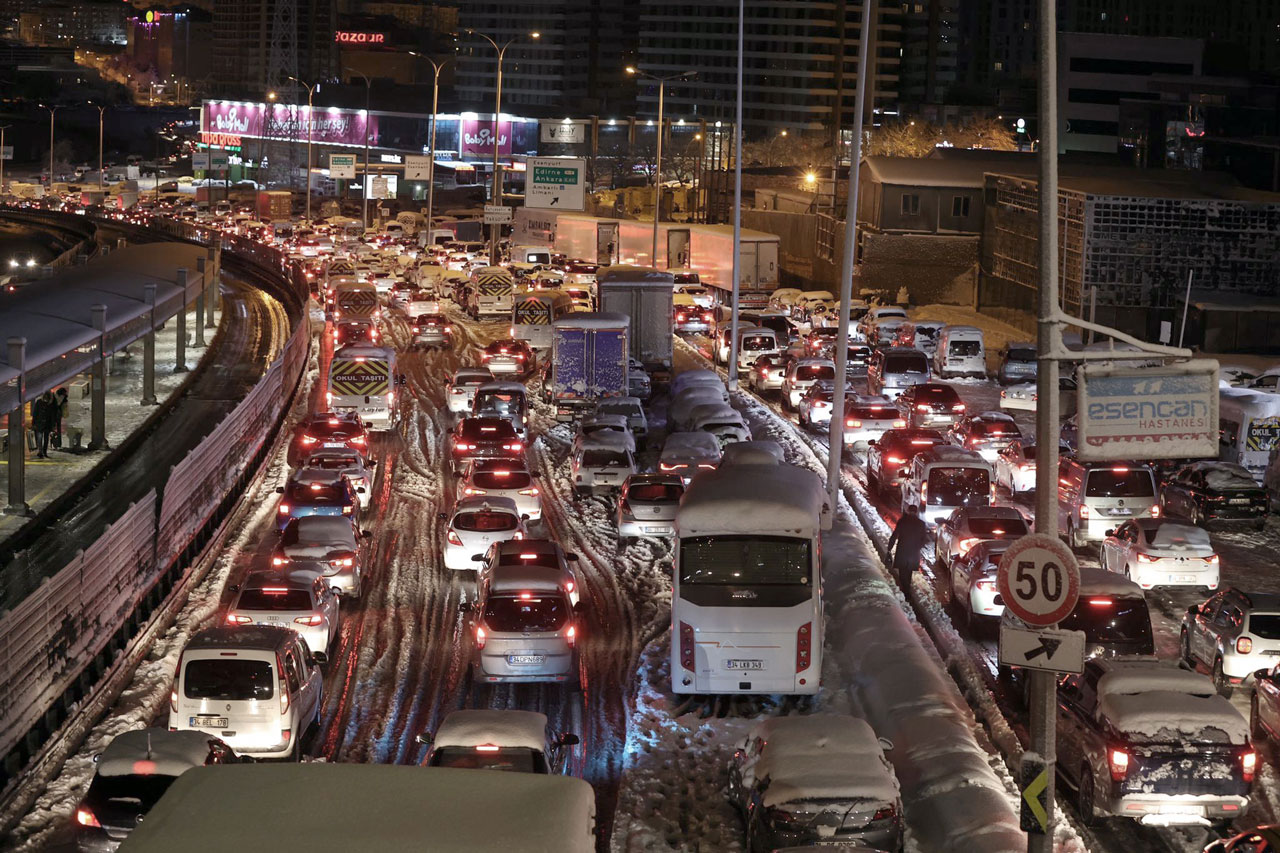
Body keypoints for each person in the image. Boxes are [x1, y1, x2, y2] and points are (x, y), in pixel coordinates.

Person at [886, 504, 928, 591]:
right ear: (916, 512)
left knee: (902, 572)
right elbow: (924, 540)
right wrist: (917, 547)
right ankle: (907, 589)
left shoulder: (902, 521)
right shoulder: (921, 524)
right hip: (913, 553)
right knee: (908, 573)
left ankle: (904, 589)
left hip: (902, 551)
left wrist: (889, 548)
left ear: (908, 511)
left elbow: (894, 536)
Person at [31, 390, 56, 458]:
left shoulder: (41, 403)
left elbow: (35, 413)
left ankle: (42, 451)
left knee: (44, 438)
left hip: (44, 424)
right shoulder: (44, 403)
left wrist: (34, 423)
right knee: (41, 438)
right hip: (42, 423)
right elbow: (35, 413)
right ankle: (41, 451)